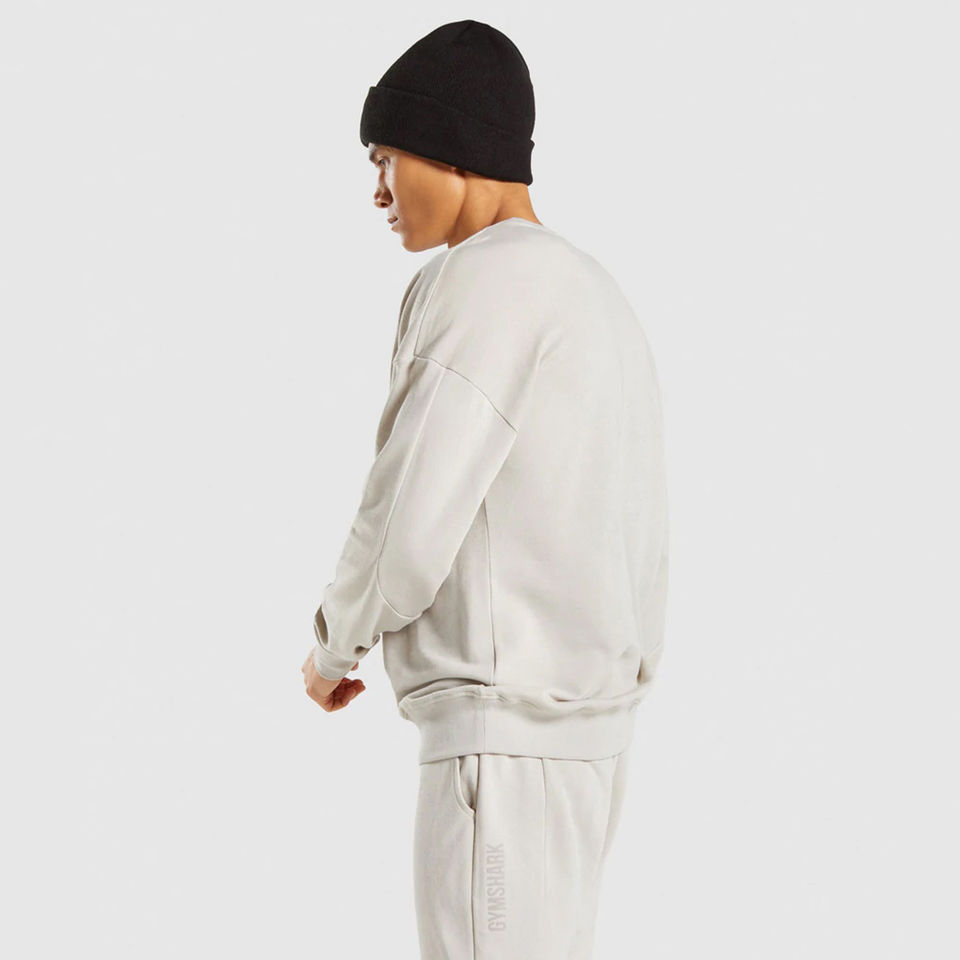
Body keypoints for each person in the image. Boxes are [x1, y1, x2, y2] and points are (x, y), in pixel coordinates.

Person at [300, 19, 669, 960]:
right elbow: (642, 536)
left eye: (385, 158)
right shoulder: (596, 294)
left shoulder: (483, 282)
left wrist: (334, 644)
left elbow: (407, 512)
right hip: (586, 748)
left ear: (452, 149)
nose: (377, 190)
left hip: (501, 752)